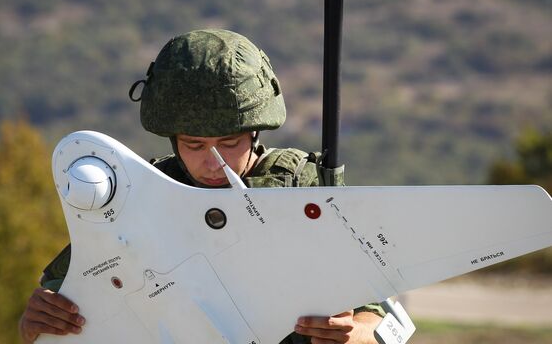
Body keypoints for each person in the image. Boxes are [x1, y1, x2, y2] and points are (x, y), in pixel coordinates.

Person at [19, 29, 384, 344]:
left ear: (255, 131)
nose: (213, 163)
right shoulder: (143, 195)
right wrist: (38, 321)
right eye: (194, 145)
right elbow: (67, 294)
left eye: (228, 143)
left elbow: (383, 318)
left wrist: (358, 333)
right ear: (173, 140)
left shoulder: (303, 188)